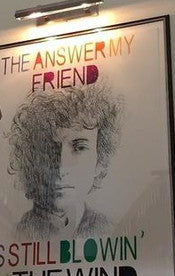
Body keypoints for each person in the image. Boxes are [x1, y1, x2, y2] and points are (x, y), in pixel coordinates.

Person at [8, 80, 122, 239]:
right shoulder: (13, 234)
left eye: (79, 147)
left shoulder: (112, 231)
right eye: (49, 148)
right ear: (30, 159)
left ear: (100, 160)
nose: (62, 166)